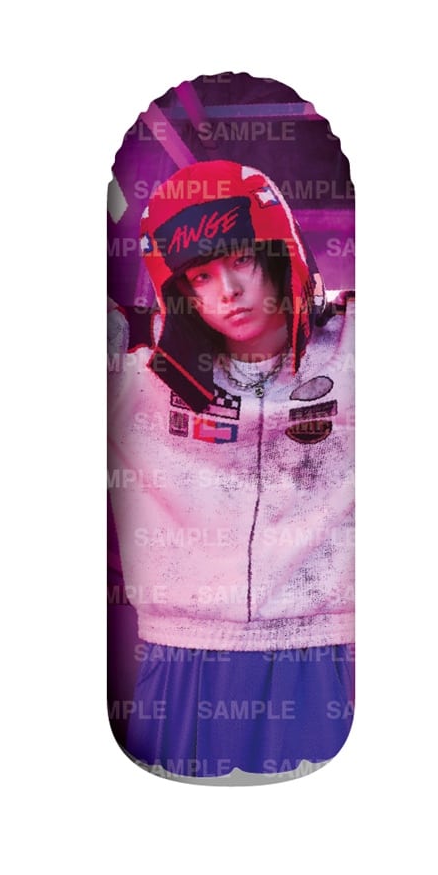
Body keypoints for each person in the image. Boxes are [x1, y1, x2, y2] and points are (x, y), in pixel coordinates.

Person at [107, 159, 354, 782]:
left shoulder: (356, 350)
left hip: (331, 647)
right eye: (201, 275)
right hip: (182, 657)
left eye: (241, 260)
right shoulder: (136, 372)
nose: (228, 292)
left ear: (278, 254)